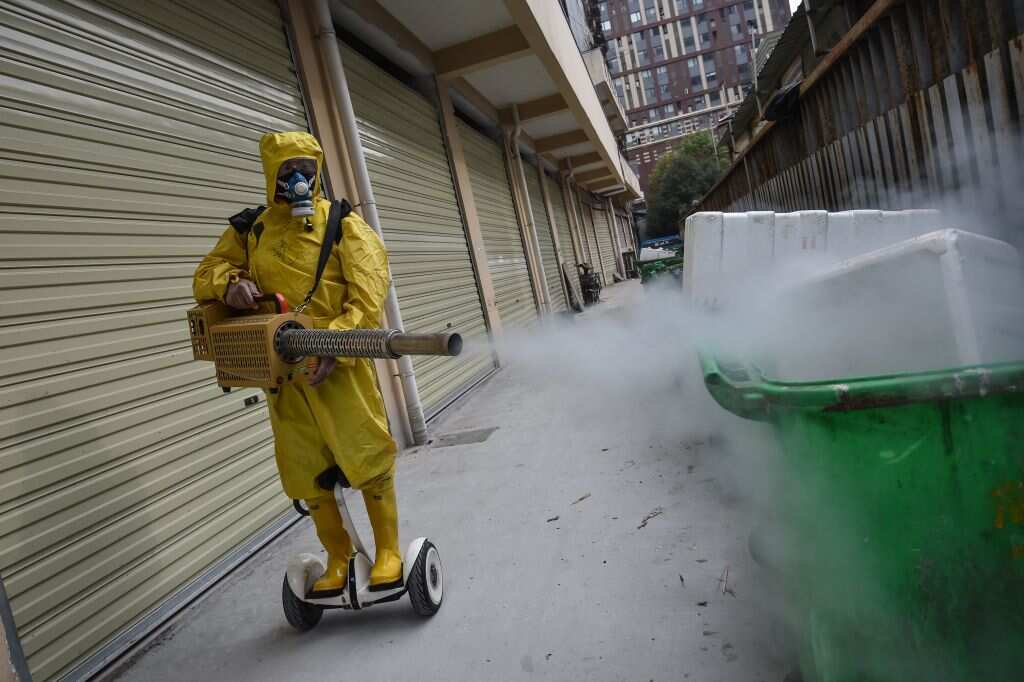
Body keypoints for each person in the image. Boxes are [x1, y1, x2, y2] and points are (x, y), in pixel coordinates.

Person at [193, 131, 402, 596]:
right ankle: (339, 558)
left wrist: (336, 343)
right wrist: (227, 284)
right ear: (272, 175)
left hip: (338, 366)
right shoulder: (251, 229)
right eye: (288, 171)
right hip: (284, 374)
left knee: (365, 454)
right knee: (306, 468)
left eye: (307, 169)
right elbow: (205, 272)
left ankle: (388, 551)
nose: (299, 180)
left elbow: (370, 291)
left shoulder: (342, 223)